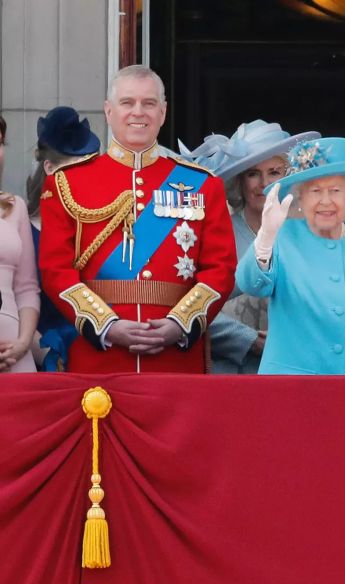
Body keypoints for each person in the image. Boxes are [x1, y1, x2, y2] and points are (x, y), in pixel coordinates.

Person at [39, 65, 236, 373]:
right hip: (100, 359)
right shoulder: (67, 183)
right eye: (127, 102)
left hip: (176, 360)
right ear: (108, 110)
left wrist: (179, 324)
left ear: (163, 112)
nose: (138, 112)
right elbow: (55, 270)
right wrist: (106, 325)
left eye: (149, 103)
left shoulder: (203, 184)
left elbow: (220, 268)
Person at [235, 136, 345, 375]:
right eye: (315, 191)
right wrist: (265, 237)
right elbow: (250, 284)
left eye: (335, 190)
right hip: (291, 395)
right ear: (300, 197)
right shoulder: (281, 237)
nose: (326, 201)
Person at [181, 120, 319, 374]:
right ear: (239, 182)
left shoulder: (307, 238)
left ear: (289, 178)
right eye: (253, 173)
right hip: (229, 375)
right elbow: (188, 305)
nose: (263, 183)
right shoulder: (216, 234)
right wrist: (247, 339)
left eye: (274, 172)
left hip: (294, 372)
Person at [25, 106, 101, 371]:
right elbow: (18, 297)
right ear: (49, 168)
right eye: (75, 167)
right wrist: (44, 351)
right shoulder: (22, 229)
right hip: (43, 359)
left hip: (102, 351)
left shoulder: (107, 225)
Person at [0, 116, 41, 373]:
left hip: (15, 357)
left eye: (1, 143)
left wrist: (24, 342)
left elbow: (26, 288)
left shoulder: (15, 207)